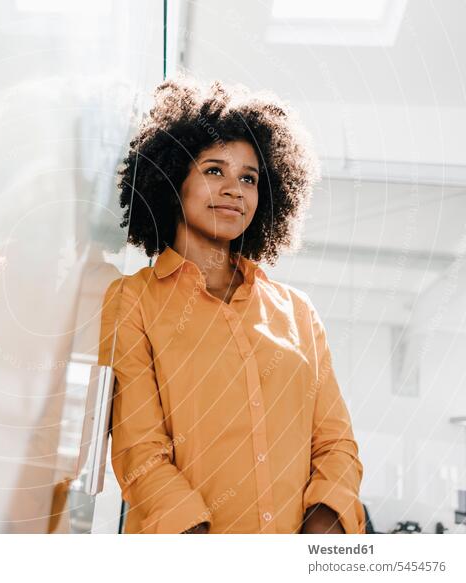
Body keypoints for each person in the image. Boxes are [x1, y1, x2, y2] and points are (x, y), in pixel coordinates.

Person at [98, 75, 365, 534]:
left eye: (249, 178)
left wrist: (323, 533)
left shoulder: (297, 313)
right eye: (214, 170)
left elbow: (336, 443)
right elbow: (139, 453)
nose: (234, 190)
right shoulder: (131, 302)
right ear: (172, 179)